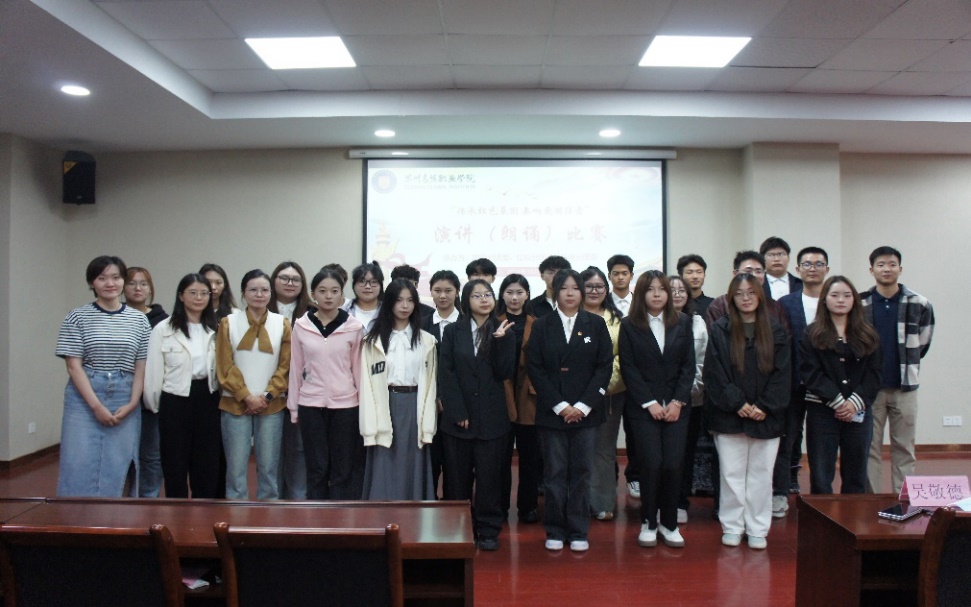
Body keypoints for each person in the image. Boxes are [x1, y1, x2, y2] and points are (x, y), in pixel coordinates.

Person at [526, 269, 613, 552]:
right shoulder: (542, 325)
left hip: (587, 413)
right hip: (553, 412)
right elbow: (535, 368)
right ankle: (554, 528)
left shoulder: (595, 324)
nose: (571, 293)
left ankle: (578, 530)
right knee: (554, 473)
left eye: (576, 288)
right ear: (555, 291)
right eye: (564, 288)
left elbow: (604, 367)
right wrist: (561, 406)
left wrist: (584, 405)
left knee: (581, 472)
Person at [703, 273, 790, 550]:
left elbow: (783, 373)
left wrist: (765, 405)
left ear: (760, 296)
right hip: (729, 415)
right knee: (731, 475)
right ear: (731, 298)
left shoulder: (775, 329)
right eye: (739, 294)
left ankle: (757, 528)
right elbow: (714, 373)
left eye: (751, 293)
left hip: (767, 416)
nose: (746, 298)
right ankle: (732, 526)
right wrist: (738, 403)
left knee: (761, 476)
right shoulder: (721, 328)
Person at [55, 255, 151, 497]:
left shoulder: (139, 320)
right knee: (78, 460)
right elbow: (73, 366)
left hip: (125, 395)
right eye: (102, 278)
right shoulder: (77, 316)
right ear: (92, 283)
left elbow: (141, 366)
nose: (110, 283)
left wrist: (132, 403)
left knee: (119, 461)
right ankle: (74, 518)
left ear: (123, 281)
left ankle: (117, 518)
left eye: (116, 277)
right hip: (84, 396)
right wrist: (96, 406)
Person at [439, 279, 516, 551]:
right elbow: (446, 372)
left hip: (492, 419)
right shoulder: (453, 331)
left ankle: (488, 529)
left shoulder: (505, 330)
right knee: (457, 479)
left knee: (489, 478)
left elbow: (504, 372)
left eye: (488, 295)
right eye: (477, 295)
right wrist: (457, 410)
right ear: (466, 301)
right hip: (458, 418)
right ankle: (458, 527)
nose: (484, 300)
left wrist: (499, 342)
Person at [619, 271, 695, 548]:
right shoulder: (629, 325)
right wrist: (649, 403)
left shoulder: (682, 321)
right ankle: (649, 522)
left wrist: (677, 401)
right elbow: (629, 367)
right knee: (651, 464)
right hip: (643, 407)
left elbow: (688, 366)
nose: (657, 294)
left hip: (677, 406)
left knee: (673, 464)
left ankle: (669, 523)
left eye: (661, 289)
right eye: (650, 289)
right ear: (641, 294)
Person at [861, 246, 935, 494]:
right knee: (869, 448)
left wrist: (906, 363)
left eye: (892, 264)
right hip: (870, 389)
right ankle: (870, 501)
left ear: (900, 269)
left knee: (904, 447)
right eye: (881, 264)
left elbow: (923, 342)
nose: (887, 269)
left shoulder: (920, 303)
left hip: (905, 388)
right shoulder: (860, 303)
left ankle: (904, 500)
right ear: (871, 270)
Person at [287, 268, 366, 500]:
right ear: (313, 294)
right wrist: (293, 407)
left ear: (342, 295)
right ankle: (317, 516)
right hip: (310, 405)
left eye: (334, 291)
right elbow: (295, 368)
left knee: (343, 468)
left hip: (346, 406)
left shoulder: (354, 327)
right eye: (322, 291)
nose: (328, 296)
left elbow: (358, 370)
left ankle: (341, 516)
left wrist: (363, 408)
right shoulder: (302, 326)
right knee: (317, 468)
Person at [800, 276, 882, 494]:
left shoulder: (868, 333)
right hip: (822, 411)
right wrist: (837, 401)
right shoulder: (812, 333)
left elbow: (874, 374)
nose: (841, 300)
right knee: (821, 474)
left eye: (847, 295)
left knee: (856, 473)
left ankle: (853, 514)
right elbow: (810, 373)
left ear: (854, 300)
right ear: (824, 299)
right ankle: (821, 514)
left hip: (858, 411)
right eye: (834, 295)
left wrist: (854, 403)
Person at [359, 279, 438, 500]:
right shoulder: (372, 342)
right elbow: (367, 384)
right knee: (384, 458)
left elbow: (430, 383)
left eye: (410, 300)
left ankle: (414, 511)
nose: (405, 306)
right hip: (385, 403)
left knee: (413, 460)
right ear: (389, 303)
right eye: (399, 300)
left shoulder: (427, 341)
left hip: (414, 405)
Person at [143, 273, 221, 498]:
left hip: (208, 397)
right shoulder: (164, 329)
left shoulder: (215, 328)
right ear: (181, 296)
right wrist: (154, 404)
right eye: (193, 293)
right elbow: (154, 371)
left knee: (205, 461)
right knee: (174, 461)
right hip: (174, 399)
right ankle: (176, 510)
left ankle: (204, 508)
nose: (199, 298)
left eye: (204, 293)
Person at [216, 269, 291, 500]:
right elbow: (224, 365)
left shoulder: (282, 323)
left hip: (272, 404)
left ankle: (268, 516)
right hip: (235, 403)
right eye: (253, 290)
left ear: (271, 293)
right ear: (243, 293)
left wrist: (266, 396)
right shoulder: (228, 323)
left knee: (268, 470)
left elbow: (286, 365)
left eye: (264, 290)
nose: (259, 294)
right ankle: (236, 516)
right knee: (236, 470)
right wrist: (246, 396)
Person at [775, 246, 830, 501]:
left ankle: (821, 495)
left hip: (826, 386)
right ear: (797, 269)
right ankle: (784, 486)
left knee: (821, 442)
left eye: (819, 264)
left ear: (827, 269)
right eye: (807, 264)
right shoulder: (786, 304)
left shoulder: (834, 300)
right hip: (793, 383)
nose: (813, 269)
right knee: (788, 436)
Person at [581, 266, 627, 522]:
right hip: (574, 397)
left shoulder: (617, 319)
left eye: (599, 286)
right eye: (589, 286)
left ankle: (601, 503)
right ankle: (577, 503)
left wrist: (602, 384)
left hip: (609, 395)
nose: (594, 290)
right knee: (576, 450)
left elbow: (622, 357)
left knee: (603, 451)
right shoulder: (570, 316)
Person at [496, 273, 540, 523]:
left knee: (530, 458)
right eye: (509, 292)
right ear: (502, 295)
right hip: (500, 398)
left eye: (519, 292)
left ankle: (528, 506)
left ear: (527, 295)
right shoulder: (493, 322)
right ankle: (500, 506)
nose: (514, 297)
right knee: (500, 459)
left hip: (529, 399)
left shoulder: (538, 324)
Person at [124, 266, 169, 498]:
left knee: (151, 454)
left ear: (150, 288)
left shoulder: (163, 321)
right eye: (132, 283)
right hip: (121, 395)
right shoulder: (116, 316)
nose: (138, 288)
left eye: (143, 283)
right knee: (123, 453)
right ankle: (124, 498)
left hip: (151, 398)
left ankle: (149, 498)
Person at [269, 261, 312, 501]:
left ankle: (298, 500)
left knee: (299, 449)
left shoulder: (312, 312)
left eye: (295, 279)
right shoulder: (260, 310)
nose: (290, 283)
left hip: (303, 391)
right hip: (267, 393)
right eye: (284, 278)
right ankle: (272, 501)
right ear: (273, 281)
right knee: (270, 452)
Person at [420, 269, 463, 498]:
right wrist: (435, 396)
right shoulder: (421, 325)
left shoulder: (466, 323)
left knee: (456, 464)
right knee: (431, 459)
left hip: (460, 404)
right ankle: (429, 504)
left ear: (457, 292)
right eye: (437, 290)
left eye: (448, 290)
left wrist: (450, 398)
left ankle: (453, 508)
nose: (443, 295)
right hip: (428, 402)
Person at [670, 274, 708, 524]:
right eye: (671, 290)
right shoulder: (651, 322)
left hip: (691, 401)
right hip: (659, 403)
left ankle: (680, 501)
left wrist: (683, 395)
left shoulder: (697, 322)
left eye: (681, 290)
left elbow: (702, 363)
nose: (677, 294)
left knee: (685, 454)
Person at [606, 255, 639, 498]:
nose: (620, 277)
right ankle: (610, 477)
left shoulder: (641, 301)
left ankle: (635, 476)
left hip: (638, 378)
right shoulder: (602, 303)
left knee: (636, 431)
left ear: (631, 275)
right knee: (608, 433)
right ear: (609, 276)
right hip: (613, 379)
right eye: (615, 273)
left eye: (624, 273)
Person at [705, 251, 790, 334]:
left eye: (758, 271)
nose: (754, 275)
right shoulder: (719, 305)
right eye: (748, 271)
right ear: (735, 274)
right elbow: (715, 337)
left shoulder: (774, 306)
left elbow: (784, 337)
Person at [343, 261, 384, 335]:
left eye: (373, 282)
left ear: (380, 286)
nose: (367, 286)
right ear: (354, 285)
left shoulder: (388, 311)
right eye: (362, 281)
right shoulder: (344, 310)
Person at [760, 236, 803, 301]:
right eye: (771, 255)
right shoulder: (757, 284)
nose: (776, 259)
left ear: (788, 258)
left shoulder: (800, 284)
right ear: (762, 259)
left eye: (781, 254)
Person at [677, 254, 714, 319]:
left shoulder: (713, 304)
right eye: (689, 272)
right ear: (680, 276)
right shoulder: (676, 303)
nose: (695, 276)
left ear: (704, 275)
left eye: (699, 272)